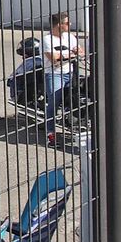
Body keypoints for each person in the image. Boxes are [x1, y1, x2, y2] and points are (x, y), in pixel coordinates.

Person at [39, 12, 83, 145]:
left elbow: (81, 52)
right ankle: (50, 134)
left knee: (76, 98)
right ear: (59, 25)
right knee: (54, 102)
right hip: (54, 74)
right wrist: (71, 54)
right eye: (67, 23)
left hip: (70, 72)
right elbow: (53, 58)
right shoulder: (47, 40)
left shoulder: (70, 37)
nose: (70, 25)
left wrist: (66, 54)